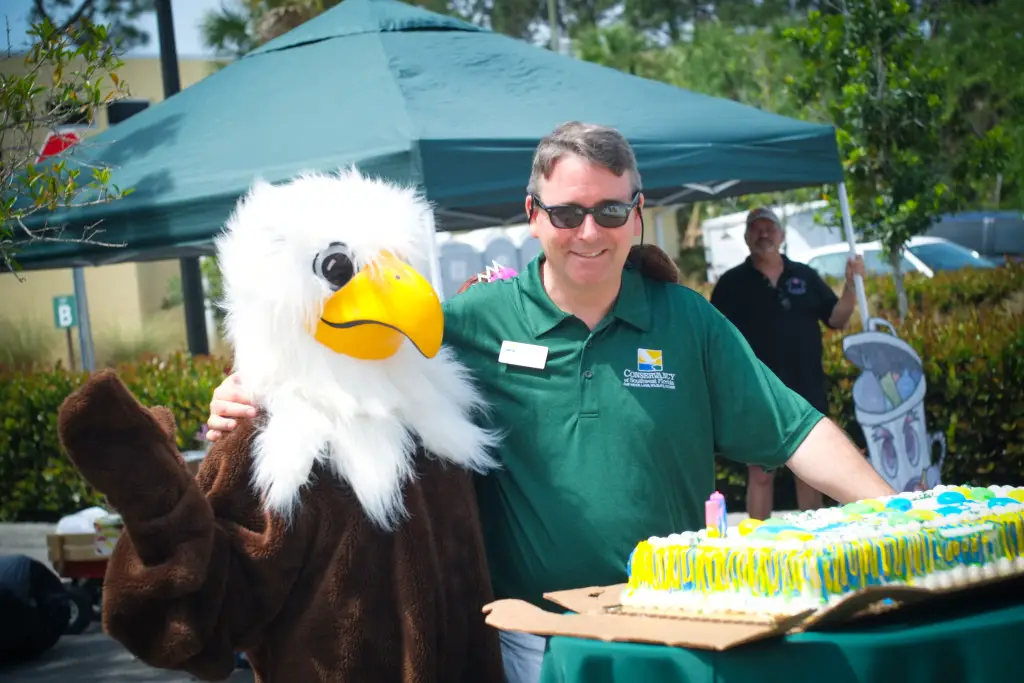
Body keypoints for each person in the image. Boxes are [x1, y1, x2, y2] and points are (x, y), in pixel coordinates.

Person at [205, 121, 894, 683]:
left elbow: (797, 432)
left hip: (680, 636)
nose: (589, 231)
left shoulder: (690, 322)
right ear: (534, 215)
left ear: (636, 216)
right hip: (537, 648)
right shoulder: (471, 321)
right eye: (566, 212)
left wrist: (901, 515)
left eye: (610, 210)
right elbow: (344, 354)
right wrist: (249, 391)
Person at [710, 207, 866, 520]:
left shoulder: (805, 276)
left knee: (811, 473)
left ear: (781, 235)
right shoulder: (731, 284)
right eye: (756, 229)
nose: (763, 234)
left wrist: (851, 285)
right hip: (757, 393)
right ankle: (758, 552)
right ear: (746, 237)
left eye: (770, 228)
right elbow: (714, 338)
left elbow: (837, 318)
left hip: (807, 390)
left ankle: (814, 548)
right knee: (761, 473)